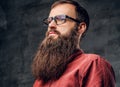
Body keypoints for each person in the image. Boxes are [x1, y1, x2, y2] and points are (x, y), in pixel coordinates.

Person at [31, 0, 116, 87]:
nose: (51, 25)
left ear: (80, 28)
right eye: (49, 20)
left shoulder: (92, 64)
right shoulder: (41, 79)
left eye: (61, 19)